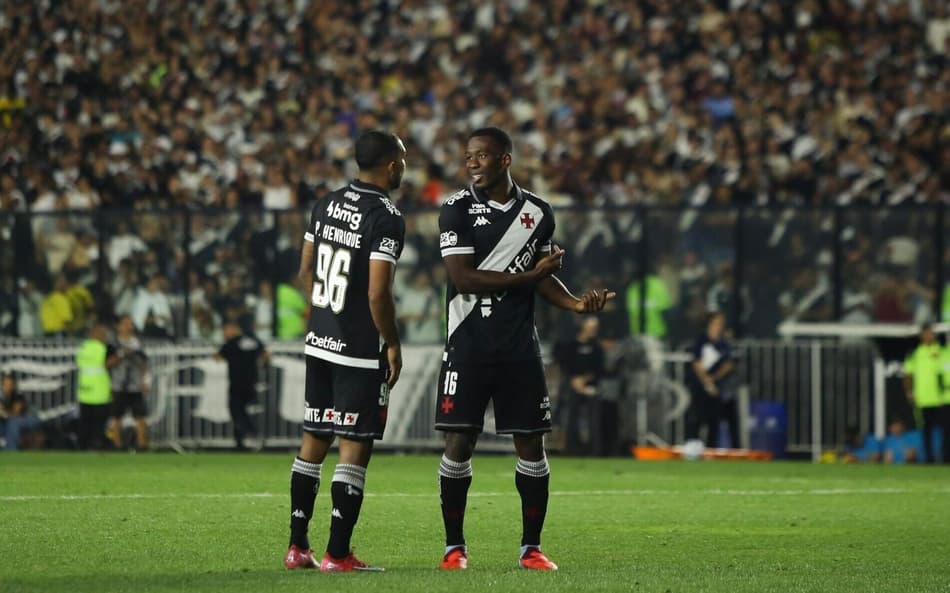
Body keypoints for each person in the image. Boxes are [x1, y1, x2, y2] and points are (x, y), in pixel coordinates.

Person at [435, 127, 614, 571]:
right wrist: (528, 278)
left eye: (481, 155)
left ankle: (531, 548)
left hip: (518, 348)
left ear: (504, 160)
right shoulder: (455, 210)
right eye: (468, 156)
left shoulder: (539, 212)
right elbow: (464, 278)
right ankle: (454, 547)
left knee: (532, 445)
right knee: (459, 442)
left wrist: (574, 303)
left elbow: (543, 273)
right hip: (468, 344)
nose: (472, 163)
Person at [283, 130, 406, 573]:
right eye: (402, 160)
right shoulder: (386, 216)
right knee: (354, 447)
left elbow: (304, 271)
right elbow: (378, 293)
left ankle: (297, 548)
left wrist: (327, 315)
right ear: (392, 166)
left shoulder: (326, 203)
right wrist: (391, 341)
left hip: (320, 341)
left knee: (313, 441)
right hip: (357, 350)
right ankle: (337, 553)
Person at [554, 316, 609, 456]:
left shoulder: (597, 348)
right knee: (571, 417)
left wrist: (584, 380)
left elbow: (599, 369)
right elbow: (565, 364)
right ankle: (571, 450)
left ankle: (594, 452)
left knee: (594, 420)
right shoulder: (571, 346)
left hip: (592, 387)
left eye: (595, 327)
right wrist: (574, 380)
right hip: (573, 386)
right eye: (590, 326)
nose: (593, 330)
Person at [686, 312, 738, 448]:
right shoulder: (701, 341)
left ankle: (712, 448)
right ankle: (692, 447)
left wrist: (714, 379)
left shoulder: (724, 343)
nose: (719, 327)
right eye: (716, 323)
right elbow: (697, 363)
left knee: (714, 421)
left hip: (719, 389)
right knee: (696, 418)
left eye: (721, 324)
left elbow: (729, 364)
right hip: (701, 387)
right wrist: (707, 382)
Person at [215, 323, 269, 451]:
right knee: (241, 410)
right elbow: (266, 355)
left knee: (236, 411)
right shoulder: (252, 340)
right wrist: (264, 364)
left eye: (226, 330)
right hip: (251, 382)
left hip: (236, 383)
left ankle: (251, 433)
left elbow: (218, 357)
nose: (225, 333)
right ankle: (241, 441)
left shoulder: (231, 343)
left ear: (233, 329)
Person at [903, 323, 950, 464]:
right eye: (927, 333)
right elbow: (908, 374)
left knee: (946, 431)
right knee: (926, 432)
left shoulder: (943, 352)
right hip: (923, 399)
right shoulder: (915, 354)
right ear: (921, 335)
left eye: (932, 333)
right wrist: (909, 392)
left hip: (942, 399)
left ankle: (946, 459)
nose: (930, 336)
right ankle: (929, 460)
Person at [109, 316, 150, 450]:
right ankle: (117, 446)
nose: (129, 327)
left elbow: (145, 364)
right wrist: (121, 354)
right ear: (118, 326)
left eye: (131, 324)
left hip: (135, 386)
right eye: (125, 324)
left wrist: (146, 381)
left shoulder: (138, 344)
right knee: (116, 417)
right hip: (119, 385)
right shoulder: (113, 344)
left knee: (140, 416)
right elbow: (108, 364)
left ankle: (142, 446)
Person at [75, 323, 119, 450]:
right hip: (100, 392)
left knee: (84, 422)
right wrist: (120, 356)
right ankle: (96, 445)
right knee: (99, 424)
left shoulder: (83, 347)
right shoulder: (104, 348)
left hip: (84, 390)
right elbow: (109, 363)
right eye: (103, 333)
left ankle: (81, 446)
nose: (105, 336)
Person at [1, 372, 43, 451]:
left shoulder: (17, 395)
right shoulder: (2, 397)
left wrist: (3, 413)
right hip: (9, 420)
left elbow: (16, 413)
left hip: (29, 418)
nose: (7, 387)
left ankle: (11, 451)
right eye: (5, 385)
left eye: (10, 385)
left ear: (13, 385)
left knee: (12, 423)